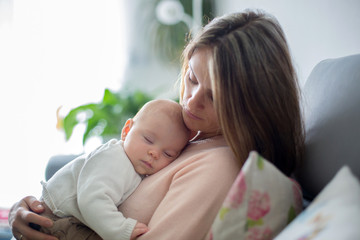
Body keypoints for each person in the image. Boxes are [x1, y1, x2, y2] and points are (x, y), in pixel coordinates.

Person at [8, 9, 304, 240]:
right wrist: (26, 212)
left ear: (251, 104)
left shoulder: (218, 167)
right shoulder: (190, 131)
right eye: (192, 78)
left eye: (214, 97)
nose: (191, 102)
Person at [30, 99, 191, 240]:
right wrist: (120, 229)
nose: (154, 153)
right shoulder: (115, 158)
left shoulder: (134, 165)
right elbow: (92, 199)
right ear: (126, 130)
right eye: (148, 139)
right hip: (54, 218)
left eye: (168, 154)